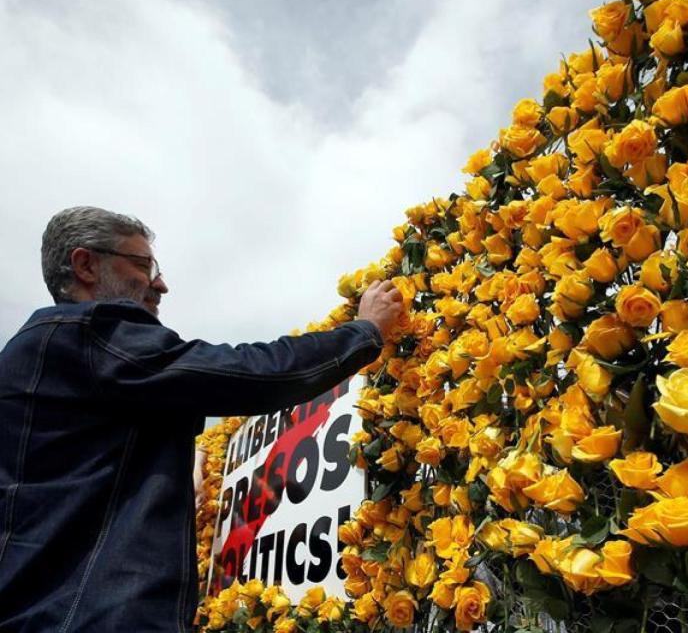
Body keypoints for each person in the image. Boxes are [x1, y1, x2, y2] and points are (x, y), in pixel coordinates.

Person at [0, 206, 402, 632]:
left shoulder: (27, 357)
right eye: (142, 265)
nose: (160, 284)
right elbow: (245, 374)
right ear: (85, 264)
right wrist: (363, 331)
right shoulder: (88, 335)